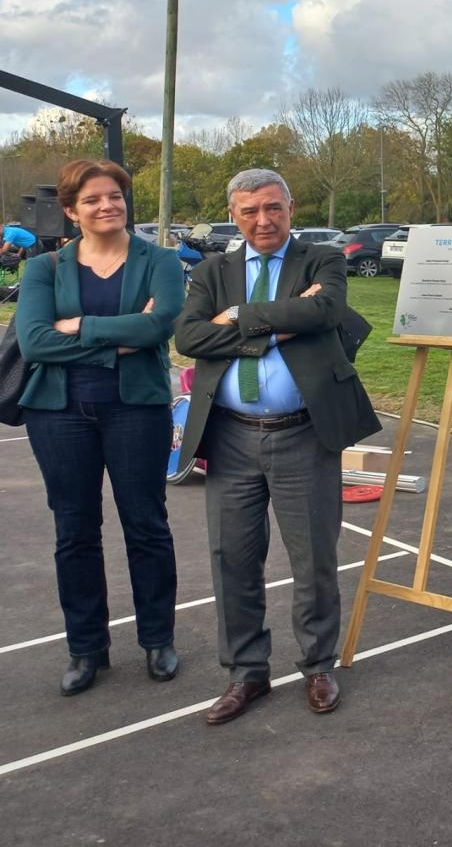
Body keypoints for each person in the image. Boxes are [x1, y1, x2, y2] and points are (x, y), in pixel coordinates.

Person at [175, 168, 380, 724]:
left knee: (313, 555)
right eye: (249, 211)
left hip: (303, 433)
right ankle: (248, 673)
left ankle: (317, 665)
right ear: (234, 215)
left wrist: (240, 317)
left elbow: (326, 311)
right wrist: (285, 322)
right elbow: (188, 336)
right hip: (232, 436)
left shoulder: (321, 260)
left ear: (291, 207)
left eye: (273, 207)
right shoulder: (213, 269)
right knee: (232, 559)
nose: (263, 220)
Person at [14, 159, 185, 695]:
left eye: (114, 196)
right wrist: (122, 340)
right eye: (91, 200)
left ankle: (158, 638)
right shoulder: (44, 268)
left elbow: (162, 324)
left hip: (137, 410)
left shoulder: (159, 260)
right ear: (70, 211)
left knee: (147, 525)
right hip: (59, 415)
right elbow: (36, 341)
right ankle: (86, 648)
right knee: (75, 532)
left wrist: (83, 327)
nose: (107, 205)